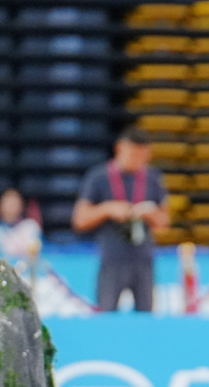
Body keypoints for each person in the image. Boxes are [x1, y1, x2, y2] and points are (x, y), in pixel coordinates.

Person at [73, 126, 170, 313]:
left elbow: (164, 222)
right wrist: (107, 209)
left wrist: (150, 214)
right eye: (134, 155)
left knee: (146, 317)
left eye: (143, 156)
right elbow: (79, 220)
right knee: (106, 315)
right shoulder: (98, 177)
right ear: (120, 148)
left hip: (143, 260)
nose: (138, 161)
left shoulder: (153, 178)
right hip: (112, 259)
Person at [0, 188, 43, 261]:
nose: (11, 207)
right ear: (0, 206)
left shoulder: (31, 227)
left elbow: (38, 254)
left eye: (14, 203)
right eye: (7, 204)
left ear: (21, 205)